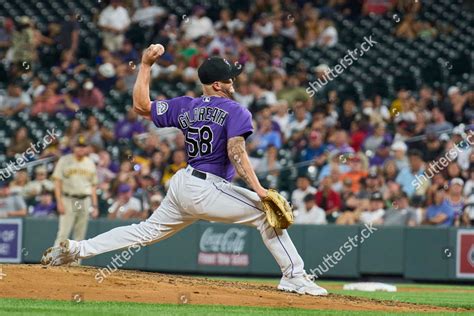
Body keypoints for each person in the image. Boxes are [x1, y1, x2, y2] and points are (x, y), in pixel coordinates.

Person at [42, 44, 328, 296]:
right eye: (229, 79)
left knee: (146, 231)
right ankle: (294, 277)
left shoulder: (186, 106)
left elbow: (141, 106)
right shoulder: (236, 110)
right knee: (265, 213)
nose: (233, 82)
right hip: (208, 188)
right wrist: (260, 190)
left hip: (184, 184)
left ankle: (78, 249)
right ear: (217, 84)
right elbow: (236, 152)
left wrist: (145, 65)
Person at [51, 135, 99, 247]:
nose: (81, 148)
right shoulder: (64, 160)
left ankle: (75, 263)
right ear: (73, 147)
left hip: (84, 200)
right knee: (63, 233)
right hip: (68, 199)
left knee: (80, 235)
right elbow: (57, 183)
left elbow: (93, 186)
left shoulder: (90, 162)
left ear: (87, 148)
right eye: (78, 146)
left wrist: (95, 206)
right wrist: (59, 202)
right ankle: (55, 261)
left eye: (83, 146)